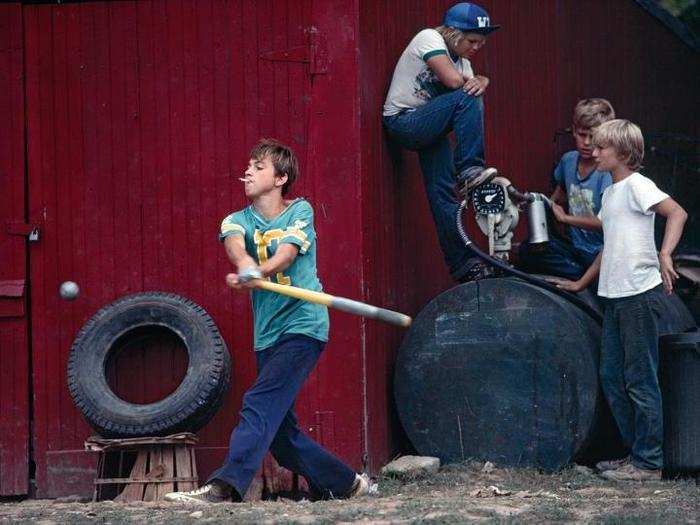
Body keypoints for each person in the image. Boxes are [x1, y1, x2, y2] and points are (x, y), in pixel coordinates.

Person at [165, 139, 369, 503]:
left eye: (258, 167)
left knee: (258, 402)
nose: (247, 171)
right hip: (268, 335)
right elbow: (236, 248)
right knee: (281, 438)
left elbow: (288, 255)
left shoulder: (300, 211)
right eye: (248, 165)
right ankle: (347, 484)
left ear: (280, 178)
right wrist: (245, 268)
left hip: (303, 326)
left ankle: (224, 487)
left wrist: (260, 271)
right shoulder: (236, 220)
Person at [555, 120, 688, 481]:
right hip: (614, 295)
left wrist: (665, 254)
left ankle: (648, 463)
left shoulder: (637, 186)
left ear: (624, 153)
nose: (593, 152)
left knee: (639, 378)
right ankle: (635, 455)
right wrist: (580, 282)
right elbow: (609, 243)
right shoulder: (612, 194)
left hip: (638, 295)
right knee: (613, 376)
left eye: (601, 148)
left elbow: (677, 212)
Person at [382, 2, 500, 282]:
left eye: (481, 43)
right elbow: (454, 82)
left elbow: (468, 86)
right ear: (452, 33)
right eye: (472, 41)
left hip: (429, 132)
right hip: (403, 121)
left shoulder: (464, 63)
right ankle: (471, 169)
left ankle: (462, 265)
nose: (476, 48)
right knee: (468, 95)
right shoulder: (429, 38)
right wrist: (479, 82)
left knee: (444, 194)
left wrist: (481, 79)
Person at [519, 99, 615, 281]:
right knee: (527, 250)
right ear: (573, 130)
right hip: (574, 246)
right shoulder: (568, 161)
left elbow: (607, 223)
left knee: (599, 277)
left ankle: (588, 277)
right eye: (581, 134)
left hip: (599, 252)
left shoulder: (606, 171)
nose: (586, 142)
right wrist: (539, 204)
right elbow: (558, 196)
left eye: (593, 136)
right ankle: (581, 275)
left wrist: (566, 218)